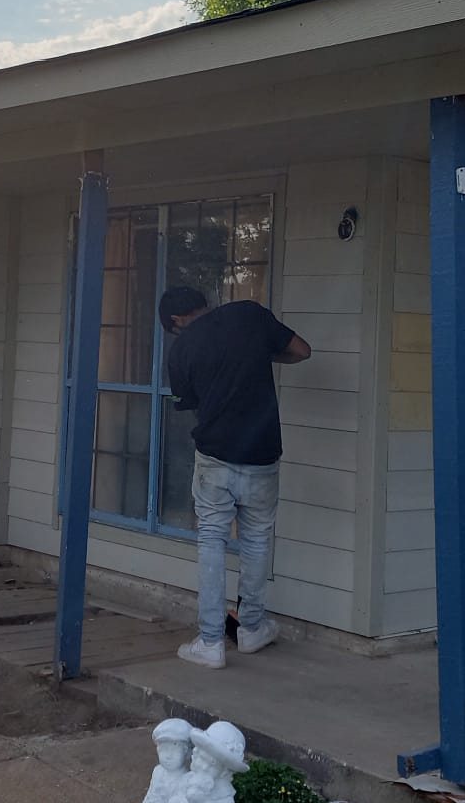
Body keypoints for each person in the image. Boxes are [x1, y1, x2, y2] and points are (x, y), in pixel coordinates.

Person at [159, 286, 310, 670]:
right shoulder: (248, 314)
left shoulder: (181, 350)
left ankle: (211, 642)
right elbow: (301, 351)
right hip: (262, 452)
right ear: (203, 304)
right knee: (257, 540)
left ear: (177, 321)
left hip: (214, 455)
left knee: (211, 541)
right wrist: (259, 356)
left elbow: (190, 403)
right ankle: (252, 629)